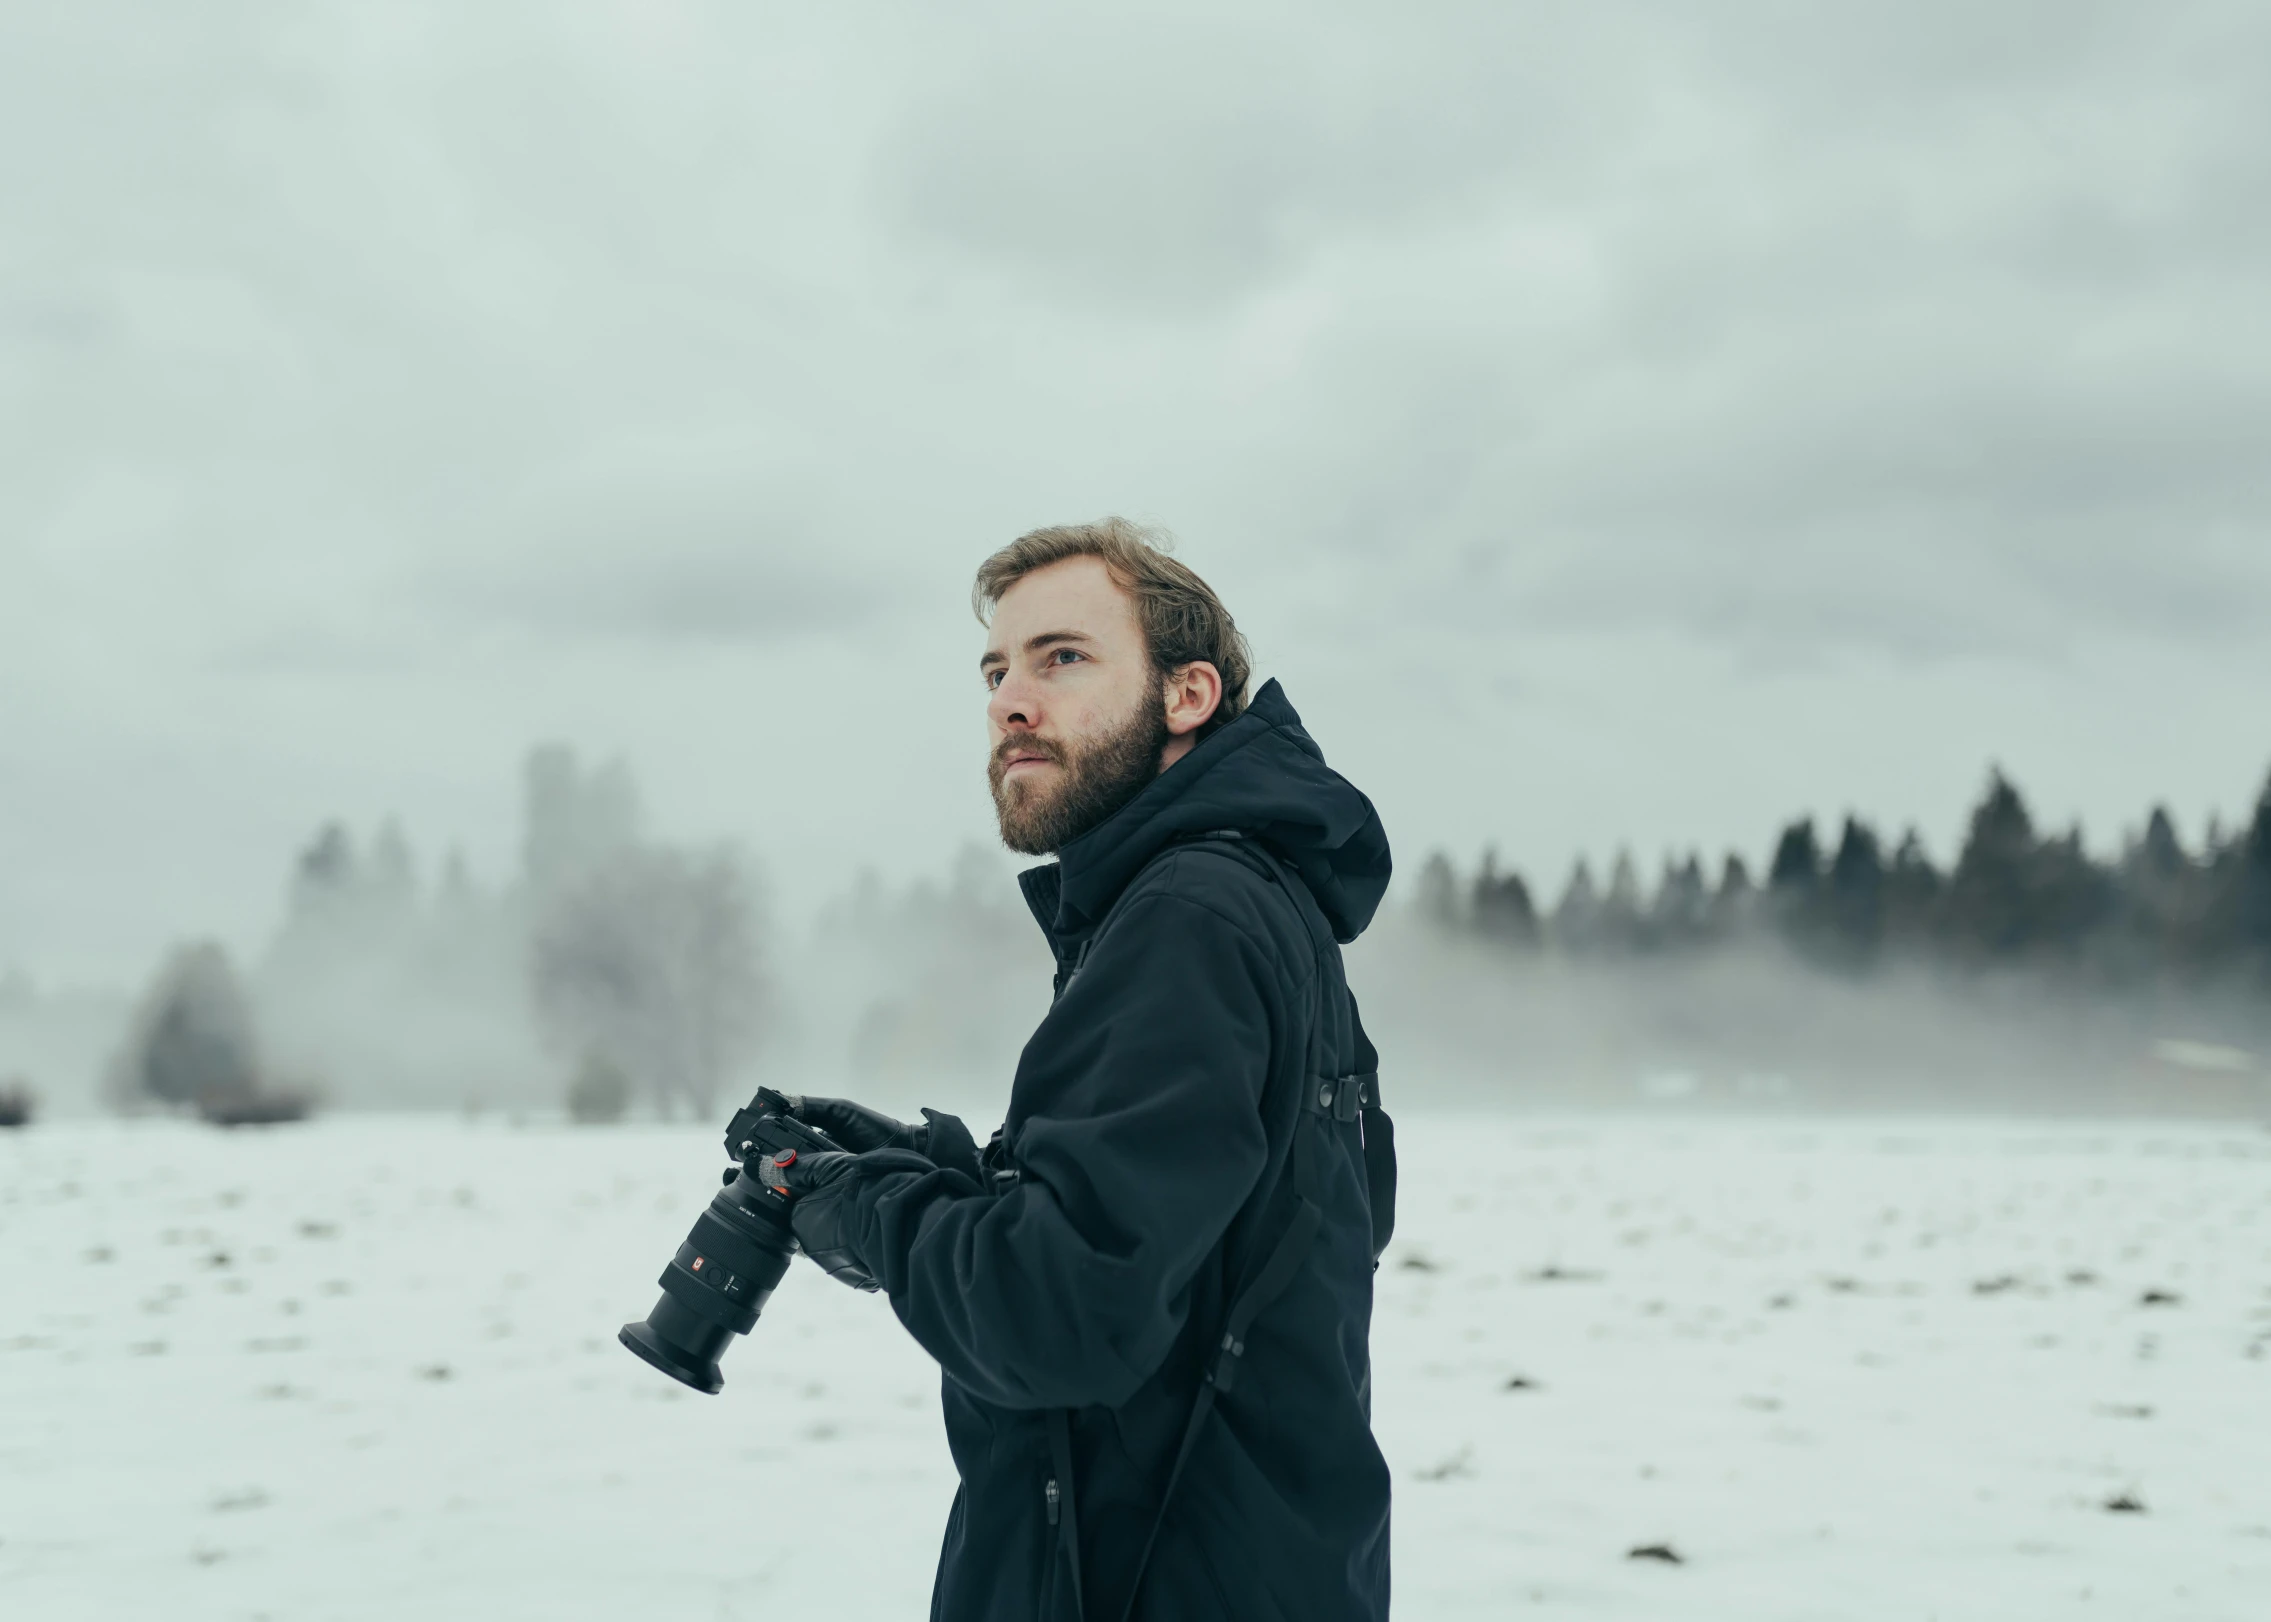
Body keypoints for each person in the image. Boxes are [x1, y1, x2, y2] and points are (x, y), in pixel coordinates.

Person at [772, 519, 1395, 1621]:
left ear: (1188, 693)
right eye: (997, 668)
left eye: (1063, 657)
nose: (1013, 698)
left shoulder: (1187, 918)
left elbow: (1057, 1316)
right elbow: (1227, 1233)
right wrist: (936, 1166)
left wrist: (861, 1207)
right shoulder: (1255, 899)